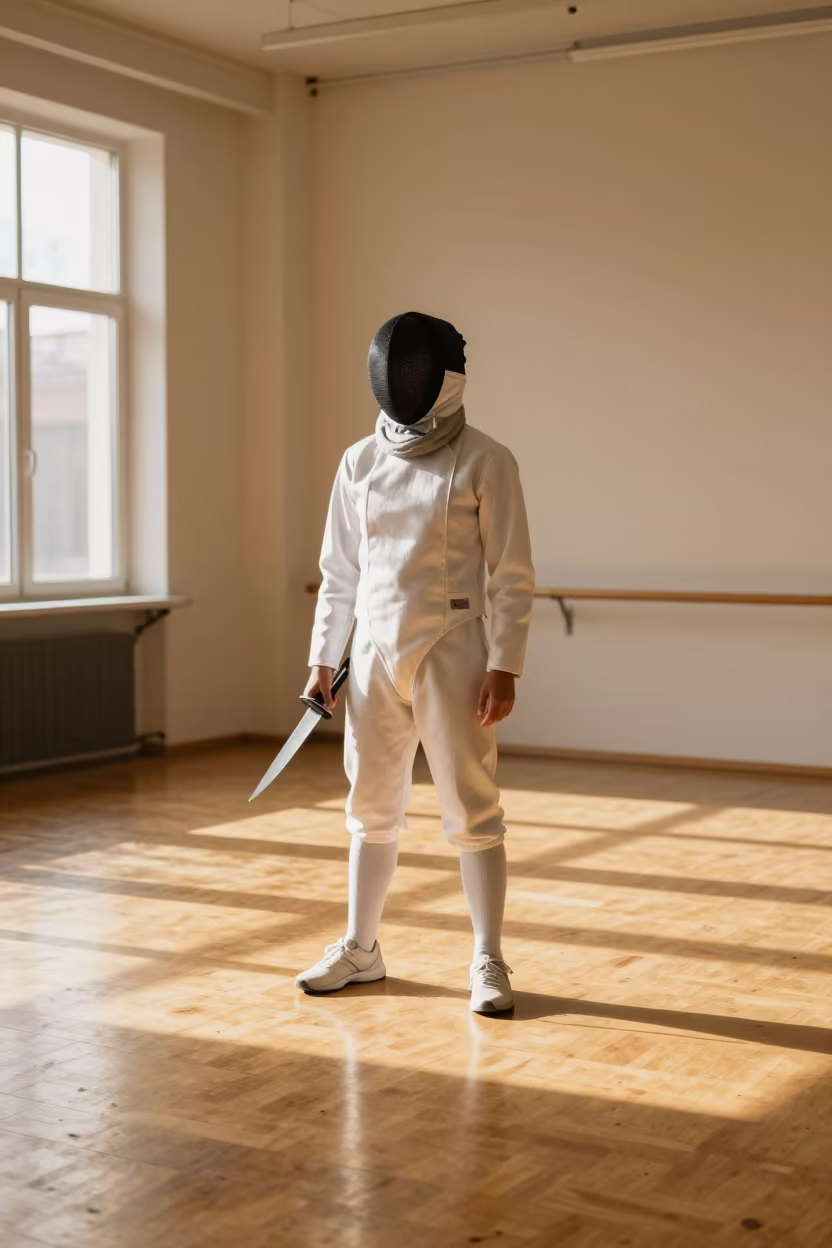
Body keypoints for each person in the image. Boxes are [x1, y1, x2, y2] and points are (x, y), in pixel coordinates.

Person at [296, 311, 535, 1013]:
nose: (399, 381)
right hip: (372, 652)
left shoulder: (489, 459)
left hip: (454, 649)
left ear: (445, 376)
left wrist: (505, 664)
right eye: (390, 369)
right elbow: (338, 571)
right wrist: (322, 657)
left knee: (471, 807)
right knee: (370, 809)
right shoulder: (359, 461)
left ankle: (488, 958)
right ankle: (361, 948)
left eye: (412, 369)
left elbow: (512, 574)